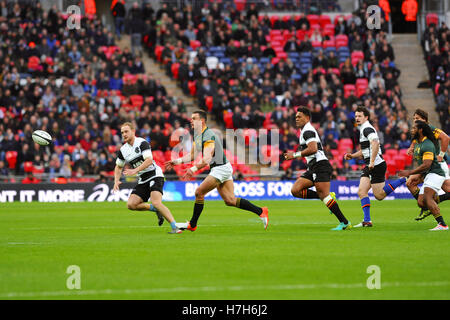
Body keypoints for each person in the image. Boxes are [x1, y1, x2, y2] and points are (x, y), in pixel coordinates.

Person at [165, 110, 269, 232]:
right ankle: (261, 211)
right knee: (230, 200)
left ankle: (192, 224)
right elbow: (192, 155)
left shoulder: (208, 135)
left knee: (199, 192)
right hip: (222, 167)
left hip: (220, 168)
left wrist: (192, 169)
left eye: (194, 118)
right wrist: (176, 161)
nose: (191, 120)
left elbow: (207, 158)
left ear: (202, 121)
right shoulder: (198, 135)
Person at [283, 108, 351, 231]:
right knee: (296, 190)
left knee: (324, 197)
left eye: (300, 116)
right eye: (296, 116)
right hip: (313, 166)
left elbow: (313, 149)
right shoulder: (303, 131)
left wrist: (295, 155)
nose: (297, 118)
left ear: (307, 118)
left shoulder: (308, 130)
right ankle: (326, 196)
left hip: (321, 165)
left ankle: (344, 222)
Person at [113, 122, 182, 234]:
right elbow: (118, 166)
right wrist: (116, 180)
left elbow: (149, 160)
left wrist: (135, 170)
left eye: (126, 131)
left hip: (155, 175)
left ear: (133, 131)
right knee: (131, 204)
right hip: (143, 179)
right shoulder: (123, 150)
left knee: (156, 202)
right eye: (122, 132)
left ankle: (175, 227)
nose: (124, 134)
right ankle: (156, 210)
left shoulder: (142, 143)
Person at [344, 107, 406, 227]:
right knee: (362, 191)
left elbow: (375, 143)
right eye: (356, 116)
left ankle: (403, 179)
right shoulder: (363, 129)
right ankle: (367, 221)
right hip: (370, 165)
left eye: (360, 116)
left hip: (376, 165)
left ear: (366, 117)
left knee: (379, 195)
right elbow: (365, 150)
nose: (357, 118)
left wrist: (372, 161)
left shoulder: (367, 128)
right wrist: (352, 155)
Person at [398, 121, 448, 231]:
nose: (411, 130)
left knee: (427, 197)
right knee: (421, 202)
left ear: (420, 130)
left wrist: (410, 173)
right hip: (428, 174)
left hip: (435, 173)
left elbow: (427, 164)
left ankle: (442, 225)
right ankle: (437, 202)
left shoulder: (427, 144)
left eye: (414, 128)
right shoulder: (418, 143)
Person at [406, 109, 450, 221]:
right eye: (414, 118)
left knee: (447, 189)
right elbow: (416, 139)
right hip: (427, 168)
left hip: (435, 166)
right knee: (410, 182)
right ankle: (426, 207)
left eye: (418, 118)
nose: (415, 120)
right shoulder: (420, 131)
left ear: (424, 120)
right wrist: (411, 147)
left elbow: (445, 138)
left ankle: (428, 205)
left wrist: (441, 155)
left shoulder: (430, 128)